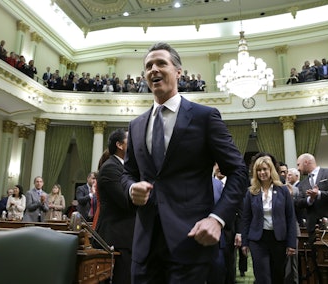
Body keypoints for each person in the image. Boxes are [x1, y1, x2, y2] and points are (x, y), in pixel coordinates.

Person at [121, 42, 248, 283]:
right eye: (148, 66)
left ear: (179, 71)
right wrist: (130, 188)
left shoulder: (204, 117)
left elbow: (238, 171)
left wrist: (217, 218)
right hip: (144, 247)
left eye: (161, 63)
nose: (153, 70)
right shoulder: (136, 125)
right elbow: (128, 173)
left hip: (191, 242)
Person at [241, 156, 297, 284]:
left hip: (279, 240)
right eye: (259, 170)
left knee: (278, 275)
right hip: (258, 240)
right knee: (262, 277)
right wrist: (244, 242)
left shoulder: (283, 190)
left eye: (264, 169)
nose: (262, 172)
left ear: (271, 170)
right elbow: (246, 218)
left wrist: (291, 243)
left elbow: (290, 217)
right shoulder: (251, 192)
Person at [96, 129, 136, 283]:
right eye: (129, 140)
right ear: (119, 145)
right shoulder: (110, 168)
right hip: (117, 237)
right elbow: (126, 201)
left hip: (126, 236)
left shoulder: (125, 168)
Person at [295, 153, 328, 242]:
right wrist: (310, 199)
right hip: (313, 229)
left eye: (298, 164)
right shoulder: (302, 184)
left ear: (306, 162)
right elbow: (298, 203)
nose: (298, 168)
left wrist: (319, 194)